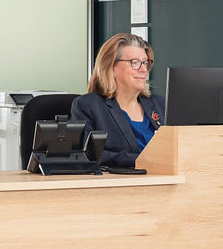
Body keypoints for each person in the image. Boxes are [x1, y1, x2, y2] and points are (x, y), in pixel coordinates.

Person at [71, 33, 165, 168]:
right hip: (119, 184)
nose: (143, 69)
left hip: (170, 181)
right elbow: (89, 154)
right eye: (135, 62)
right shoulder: (89, 106)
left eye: (145, 62)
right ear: (111, 67)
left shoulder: (161, 105)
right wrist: (145, 160)